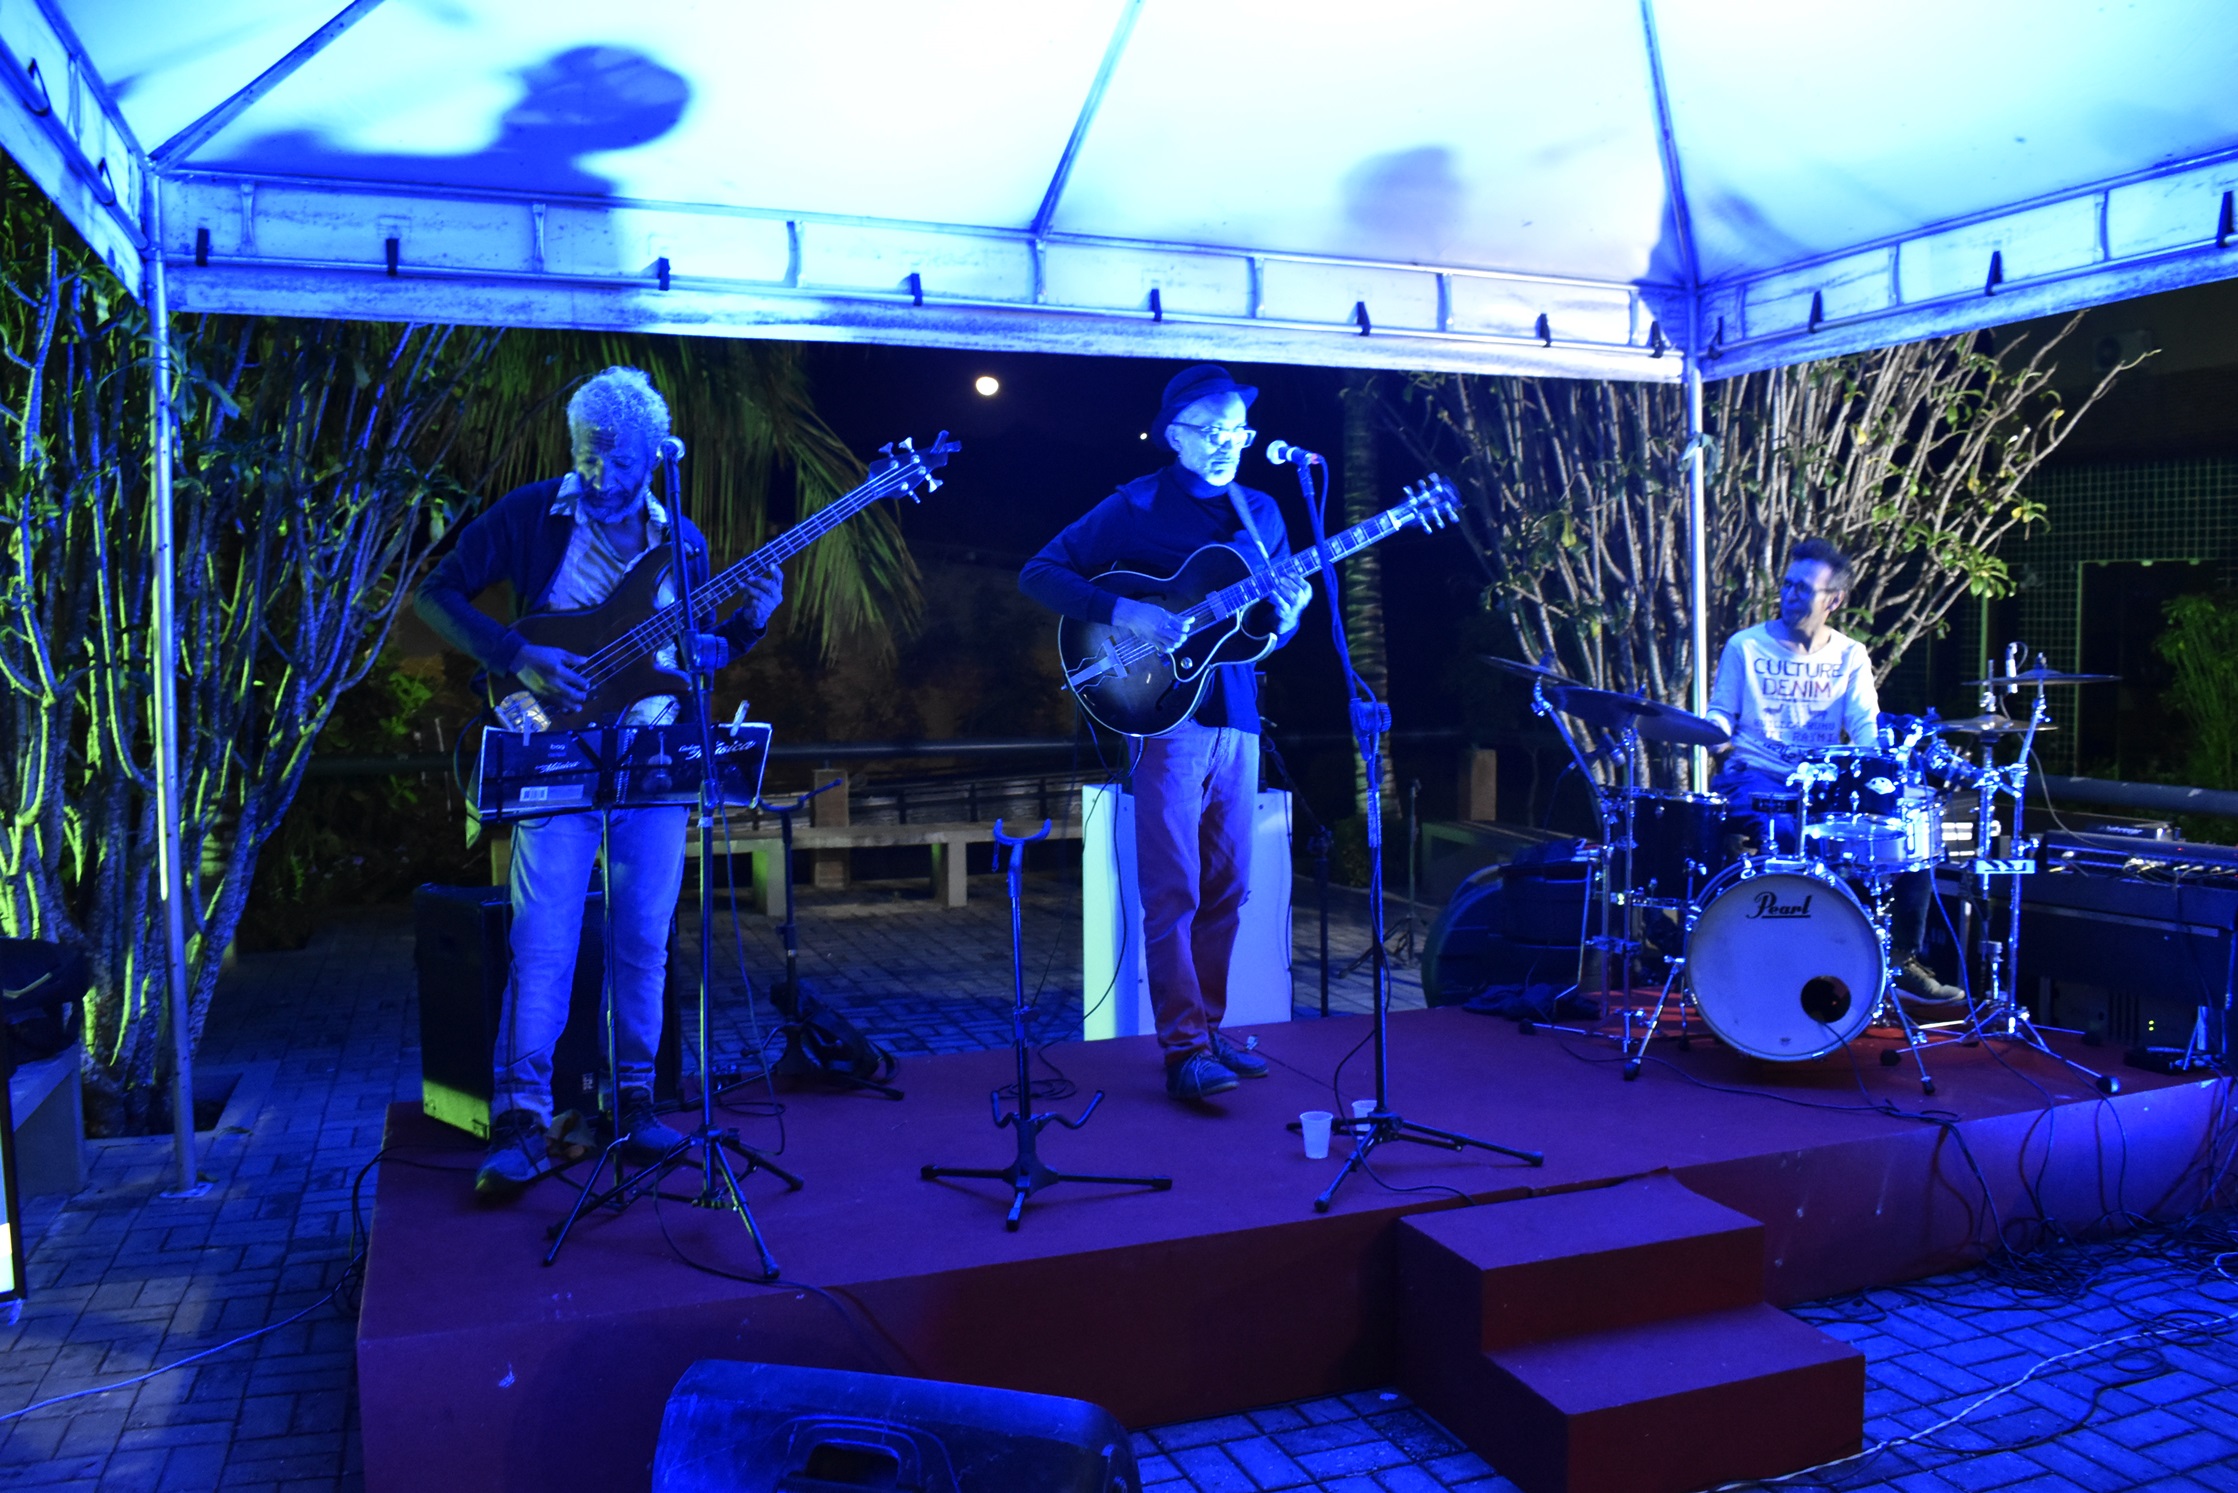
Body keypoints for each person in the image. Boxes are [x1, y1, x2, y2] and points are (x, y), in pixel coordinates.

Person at [415, 366, 784, 1199]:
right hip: (556, 755)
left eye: (619, 461)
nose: (598, 473)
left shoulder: (681, 539)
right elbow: (435, 593)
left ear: (655, 457)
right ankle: (522, 1118)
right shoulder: (530, 514)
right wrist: (516, 653)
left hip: (651, 762)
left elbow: (689, 657)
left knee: (644, 938)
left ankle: (636, 1102)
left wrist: (749, 623)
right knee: (541, 941)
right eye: (587, 453)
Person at [1021, 365, 1313, 1101]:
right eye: (1211, 431)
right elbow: (1040, 571)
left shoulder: (1260, 511)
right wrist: (1125, 611)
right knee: (1173, 886)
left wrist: (1292, 613)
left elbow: (1267, 629)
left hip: (1237, 714)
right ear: (1174, 434)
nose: (1227, 444)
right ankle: (1182, 1047)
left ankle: (1207, 1031)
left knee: (1230, 886)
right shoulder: (1138, 503)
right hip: (1163, 717)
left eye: (1237, 432)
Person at [1704, 536, 1966, 1011]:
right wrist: (1714, 738)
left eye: (1804, 589)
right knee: (1788, 833)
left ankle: (1898, 958)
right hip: (1756, 777)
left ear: (1835, 600)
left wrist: (1885, 775)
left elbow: (1866, 726)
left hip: (1823, 785)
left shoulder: (1850, 654)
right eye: (1788, 585)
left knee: (1912, 829)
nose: (1790, 595)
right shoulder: (1746, 646)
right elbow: (1721, 713)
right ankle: (1781, 968)